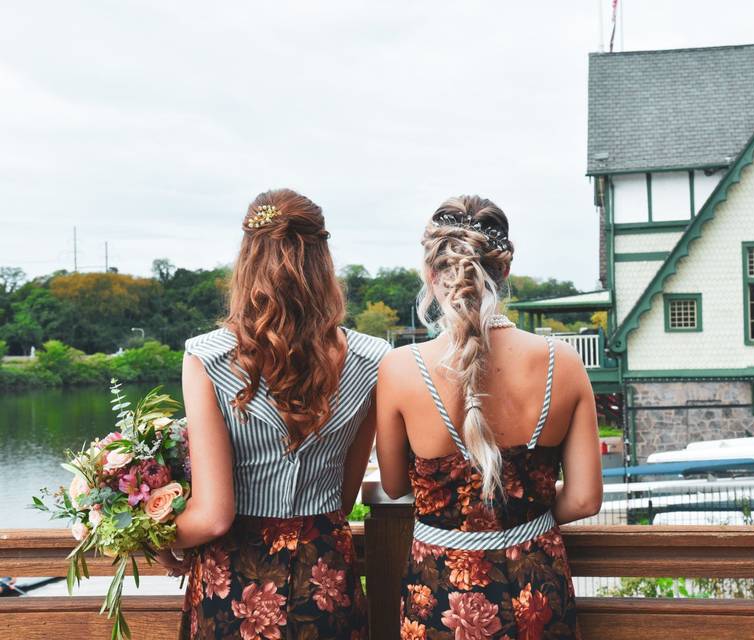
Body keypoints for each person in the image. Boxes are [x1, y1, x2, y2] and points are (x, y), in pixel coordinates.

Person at [157, 189, 390, 640]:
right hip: (326, 581)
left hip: (232, 588)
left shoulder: (205, 358)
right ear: (324, 263)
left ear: (245, 262)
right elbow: (342, 500)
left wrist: (151, 536)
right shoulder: (373, 359)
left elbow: (212, 517)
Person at [376, 195, 603, 638]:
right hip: (537, 589)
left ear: (431, 273)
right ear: (504, 271)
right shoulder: (564, 363)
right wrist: (522, 515)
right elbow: (584, 499)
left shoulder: (400, 369)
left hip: (441, 596)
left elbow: (395, 485)